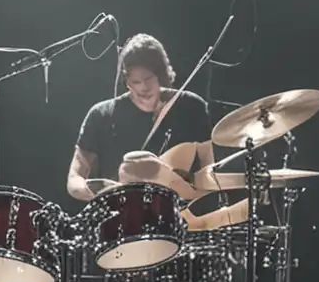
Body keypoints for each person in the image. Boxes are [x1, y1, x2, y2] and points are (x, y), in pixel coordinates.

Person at [66, 34, 211, 203]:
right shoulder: (101, 115)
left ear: (162, 73)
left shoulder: (191, 107)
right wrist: (99, 194)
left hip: (179, 217)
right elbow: (74, 178)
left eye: (148, 78)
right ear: (126, 80)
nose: (144, 87)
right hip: (120, 217)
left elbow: (209, 170)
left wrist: (195, 200)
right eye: (135, 81)